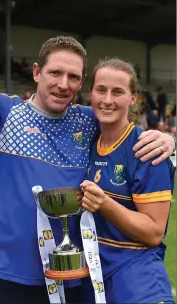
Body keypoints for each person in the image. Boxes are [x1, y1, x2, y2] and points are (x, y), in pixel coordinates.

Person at [0, 0, 175, 304]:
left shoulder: (89, 120)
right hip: (0, 278)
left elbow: (122, 120)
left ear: (82, 85)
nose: (63, 84)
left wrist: (166, 137)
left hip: (70, 281)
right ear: (36, 73)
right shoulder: (2, 113)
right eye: (55, 73)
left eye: (73, 77)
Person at [80, 58, 175, 303]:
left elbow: (154, 232)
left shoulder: (146, 149)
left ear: (133, 98)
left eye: (118, 92)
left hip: (136, 283)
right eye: (101, 90)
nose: (107, 100)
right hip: (92, 281)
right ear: (90, 93)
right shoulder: (87, 143)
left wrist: (105, 204)